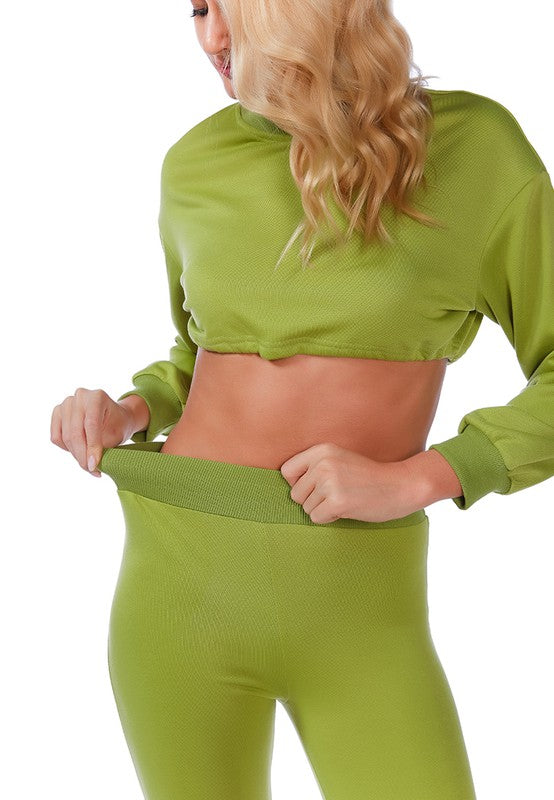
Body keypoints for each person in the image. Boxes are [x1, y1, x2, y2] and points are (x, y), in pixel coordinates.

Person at [50, 1, 554, 798]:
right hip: (177, 586)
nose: (212, 37)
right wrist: (132, 409)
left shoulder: (474, 149)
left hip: (362, 601)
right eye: (197, 8)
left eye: (233, 9)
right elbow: (199, 355)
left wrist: (426, 477)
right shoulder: (194, 165)